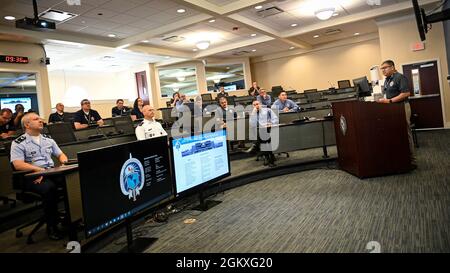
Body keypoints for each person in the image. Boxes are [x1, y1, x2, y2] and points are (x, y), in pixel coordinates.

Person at [10, 112, 68, 240]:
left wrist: (64, 162)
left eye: (40, 119)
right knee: (49, 188)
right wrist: (39, 170)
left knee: (70, 181)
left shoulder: (48, 139)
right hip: (31, 177)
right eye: (36, 119)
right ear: (27, 124)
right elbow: (18, 164)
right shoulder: (18, 142)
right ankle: (52, 227)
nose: (41, 121)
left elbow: (61, 155)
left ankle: (70, 220)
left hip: (51, 172)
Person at [377, 59, 417, 167]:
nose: (383, 71)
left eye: (385, 68)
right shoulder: (387, 80)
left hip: (402, 107)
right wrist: (383, 101)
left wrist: (389, 101)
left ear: (392, 67)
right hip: (393, 109)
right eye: (382, 69)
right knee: (396, 133)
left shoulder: (400, 77)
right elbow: (388, 95)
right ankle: (401, 158)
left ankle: (412, 160)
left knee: (405, 132)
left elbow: (406, 93)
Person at [249, 100, 279, 167]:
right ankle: (270, 157)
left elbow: (275, 119)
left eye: (257, 104)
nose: (256, 106)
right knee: (264, 137)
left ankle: (256, 146)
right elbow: (252, 124)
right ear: (252, 106)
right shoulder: (253, 113)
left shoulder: (268, 110)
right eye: (254, 105)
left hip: (270, 129)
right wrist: (253, 114)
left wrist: (271, 123)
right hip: (261, 131)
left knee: (263, 137)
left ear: (260, 104)